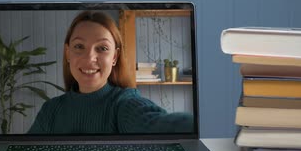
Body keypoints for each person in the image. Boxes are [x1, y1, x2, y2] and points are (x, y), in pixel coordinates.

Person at [28, 10, 194, 134]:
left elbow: (157, 123)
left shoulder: (124, 103)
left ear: (114, 57)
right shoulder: (50, 110)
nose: (90, 58)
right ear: (67, 53)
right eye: (79, 46)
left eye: (102, 48)